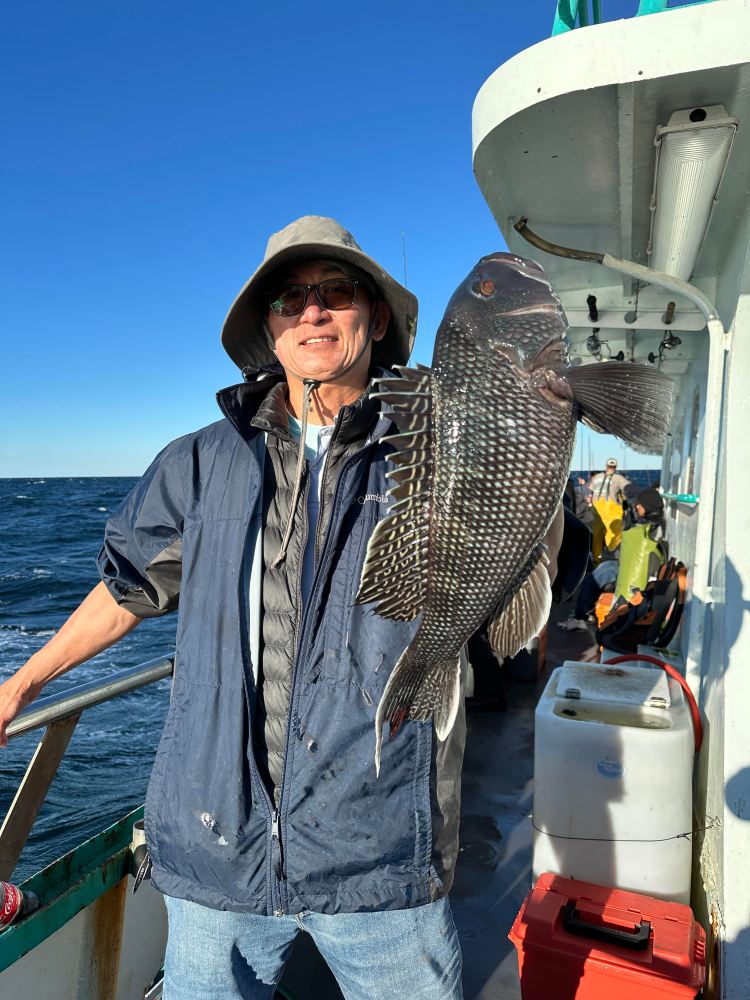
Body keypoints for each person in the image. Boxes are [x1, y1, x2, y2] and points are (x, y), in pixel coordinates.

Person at [0, 216, 465, 999]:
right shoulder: (197, 461)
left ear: (375, 317)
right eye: (290, 298)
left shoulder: (439, 451)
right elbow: (127, 589)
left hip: (378, 845)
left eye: (336, 291)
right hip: (219, 846)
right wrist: (25, 682)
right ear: (269, 331)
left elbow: (510, 561)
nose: (312, 311)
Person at [558, 487, 666, 631]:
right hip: (631, 565)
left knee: (597, 576)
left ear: (647, 506)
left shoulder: (650, 531)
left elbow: (641, 555)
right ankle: (583, 613)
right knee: (602, 569)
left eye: (639, 504)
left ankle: (580, 617)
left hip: (636, 574)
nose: (637, 507)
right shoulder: (653, 525)